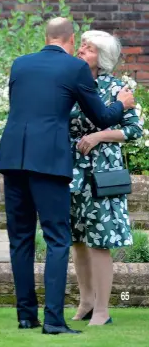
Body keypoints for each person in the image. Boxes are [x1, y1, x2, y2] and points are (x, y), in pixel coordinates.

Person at [0, 17, 135, 334]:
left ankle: (26, 316)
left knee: (21, 241)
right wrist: (121, 104)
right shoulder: (75, 69)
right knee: (58, 240)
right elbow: (101, 116)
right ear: (70, 39)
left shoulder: (20, 64)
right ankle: (54, 321)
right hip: (49, 162)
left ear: (46, 37)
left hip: (13, 158)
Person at [70, 30, 142, 326]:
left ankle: (103, 309)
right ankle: (86, 301)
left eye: (89, 48)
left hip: (102, 174)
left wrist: (100, 135)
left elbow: (133, 130)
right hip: (71, 172)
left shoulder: (116, 88)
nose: (82, 49)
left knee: (100, 241)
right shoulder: (70, 85)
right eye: (82, 45)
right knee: (76, 240)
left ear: (104, 58)